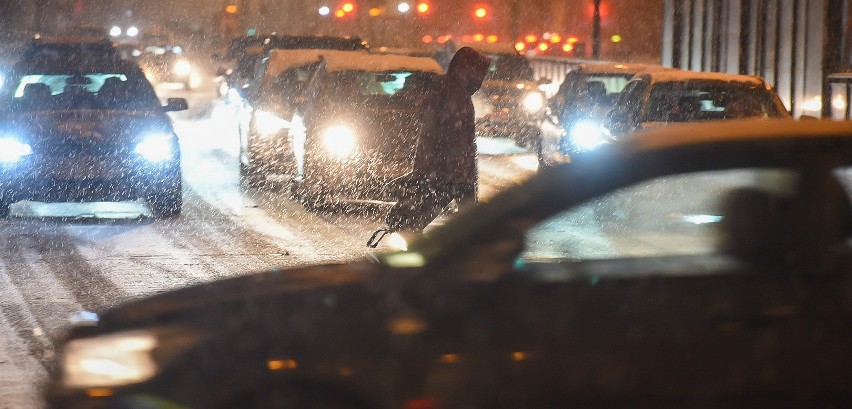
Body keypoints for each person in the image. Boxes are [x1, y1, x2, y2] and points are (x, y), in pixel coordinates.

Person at [368, 47, 491, 247]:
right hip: (449, 174)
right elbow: (457, 141)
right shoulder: (456, 97)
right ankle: (425, 258)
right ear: (467, 71)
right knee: (460, 222)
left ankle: (418, 248)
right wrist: (462, 178)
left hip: (439, 171)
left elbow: (437, 133)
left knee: (423, 215)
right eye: (478, 74)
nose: (480, 81)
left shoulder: (446, 91)